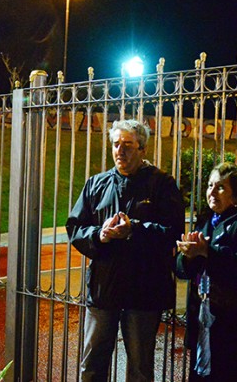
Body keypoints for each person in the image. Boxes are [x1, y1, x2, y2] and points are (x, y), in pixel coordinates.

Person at [66, 119, 185, 382]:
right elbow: (75, 227)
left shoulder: (162, 184)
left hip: (143, 293)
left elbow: (173, 232)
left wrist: (135, 229)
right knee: (92, 363)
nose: (120, 151)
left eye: (128, 145)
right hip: (103, 290)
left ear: (143, 149)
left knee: (140, 368)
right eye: (116, 145)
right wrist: (100, 235)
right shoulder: (96, 184)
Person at [174, 162, 237, 381]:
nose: (212, 192)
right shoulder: (206, 222)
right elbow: (181, 270)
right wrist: (187, 257)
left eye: (220, 187)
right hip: (203, 325)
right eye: (209, 186)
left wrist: (208, 252)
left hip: (234, 329)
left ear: (236, 196)